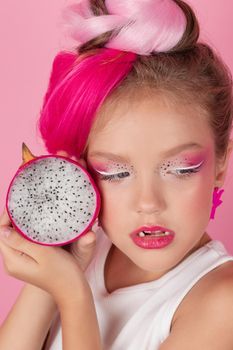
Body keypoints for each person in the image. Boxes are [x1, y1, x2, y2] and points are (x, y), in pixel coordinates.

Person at [0, 0, 233, 349]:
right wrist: (51, 258)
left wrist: (72, 293)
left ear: (220, 165)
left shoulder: (222, 303)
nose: (148, 203)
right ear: (81, 171)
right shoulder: (93, 252)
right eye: (115, 173)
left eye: (181, 169)